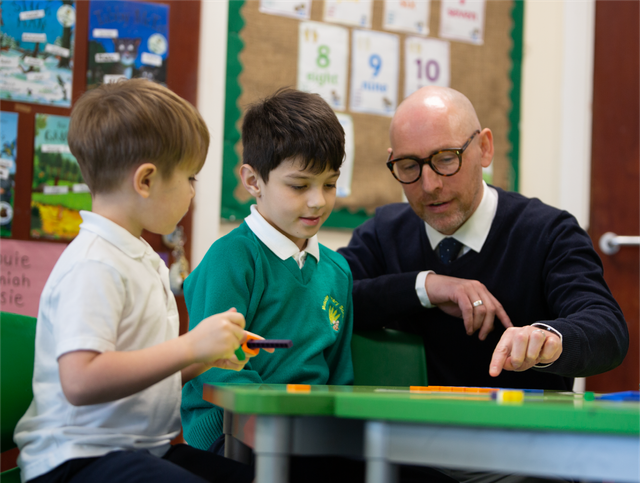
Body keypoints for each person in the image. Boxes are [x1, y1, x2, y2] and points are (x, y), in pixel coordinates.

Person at [338, 86, 629, 482]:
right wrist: (427, 286)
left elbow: (607, 329)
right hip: (413, 455)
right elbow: (333, 300)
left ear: (485, 149)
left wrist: (547, 339)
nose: (429, 185)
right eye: (409, 166)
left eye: (445, 159)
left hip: (525, 456)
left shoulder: (547, 232)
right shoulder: (383, 233)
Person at [14, 79, 258, 483]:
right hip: (74, 462)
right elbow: (81, 380)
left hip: (137, 452)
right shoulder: (95, 264)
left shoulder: (138, 257)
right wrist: (189, 344)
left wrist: (200, 360)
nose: (194, 192)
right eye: (191, 178)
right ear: (145, 181)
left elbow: (135, 375)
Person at [181, 88, 354, 453]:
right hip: (227, 431)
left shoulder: (338, 271)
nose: (317, 201)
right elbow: (216, 371)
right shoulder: (233, 258)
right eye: (299, 185)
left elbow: (341, 379)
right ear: (253, 181)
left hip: (310, 436)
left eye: (330, 184)